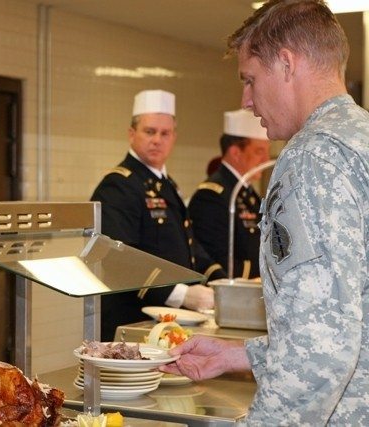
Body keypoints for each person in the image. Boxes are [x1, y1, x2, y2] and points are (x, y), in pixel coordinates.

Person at [160, 1, 369, 424]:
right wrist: (240, 354)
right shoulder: (359, 139)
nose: (247, 99)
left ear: (287, 64)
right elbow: (350, 320)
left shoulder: (312, 157)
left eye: (251, 80)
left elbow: (320, 349)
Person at [91, 89, 226, 341]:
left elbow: (189, 246)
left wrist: (220, 283)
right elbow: (119, 260)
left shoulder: (166, 184)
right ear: (132, 134)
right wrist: (182, 294)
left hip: (164, 323)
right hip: (131, 323)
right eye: (149, 131)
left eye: (165, 133)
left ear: (174, 137)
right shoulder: (118, 185)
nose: (157, 140)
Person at [188, 109, 270, 279]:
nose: (266, 160)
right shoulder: (211, 196)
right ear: (235, 153)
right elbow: (217, 258)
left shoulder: (247, 193)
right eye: (259, 151)